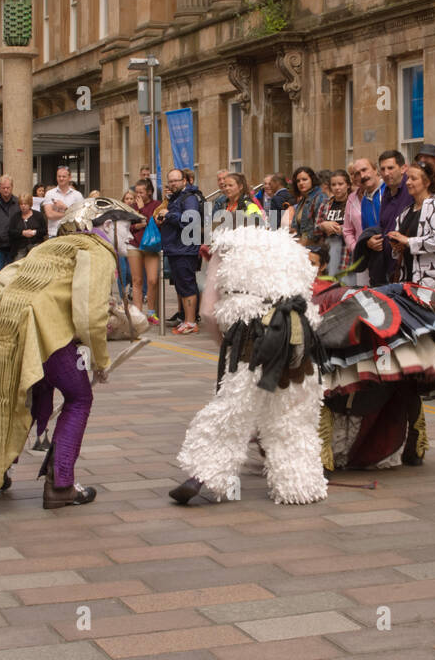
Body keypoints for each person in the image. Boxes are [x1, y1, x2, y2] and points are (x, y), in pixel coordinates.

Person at [0, 196, 143, 507]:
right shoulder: (98, 251)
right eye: (127, 228)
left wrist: (27, 302)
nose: (131, 236)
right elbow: (90, 315)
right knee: (79, 398)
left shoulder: (50, 246)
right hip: (42, 331)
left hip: (1, 321)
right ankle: (60, 486)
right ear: (108, 226)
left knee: (16, 396)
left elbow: (4, 277)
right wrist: (100, 361)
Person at [169, 226, 329, 506]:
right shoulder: (289, 246)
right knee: (292, 418)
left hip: (253, 341)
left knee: (231, 412)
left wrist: (224, 345)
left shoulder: (225, 247)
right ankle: (298, 486)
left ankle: (203, 475)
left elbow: (207, 312)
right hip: (299, 340)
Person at [388, 161, 435, 296]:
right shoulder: (406, 211)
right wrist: (397, 245)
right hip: (408, 280)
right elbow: (404, 242)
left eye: (414, 178)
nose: (408, 182)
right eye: (408, 178)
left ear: (427, 182)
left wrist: (408, 241)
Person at [157, 168, 204, 334]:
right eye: (170, 181)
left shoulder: (189, 198)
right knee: (181, 286)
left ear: (184, 181)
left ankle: (191, 322)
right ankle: (187, 320)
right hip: (176, 248)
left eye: (176, 180)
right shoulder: (176, 198)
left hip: (185, 249)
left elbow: (190, 220)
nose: (173, 183)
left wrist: (168, 215)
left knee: (187, 285)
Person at [367, 150, 413, 287]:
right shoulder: (385, 192)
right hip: (387, 264)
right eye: (383, 169)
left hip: (407, 266)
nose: (386, 173)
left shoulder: (410, 190)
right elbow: (384, 226)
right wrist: (370, 241)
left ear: (403, 168)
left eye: (391, 168)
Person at [343, 157, 382, 287]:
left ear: (375, 170)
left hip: (384, 253)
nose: (361, 176)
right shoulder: (353, 198)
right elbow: (347, 230)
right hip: (363, 255)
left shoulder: (385, 191)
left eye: (364, 170)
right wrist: (358, 248)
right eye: (356, 174)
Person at [127, 178, 162, 321]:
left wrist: (141, 210)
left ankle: (151, 312)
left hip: (151, 245)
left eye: (141, 192)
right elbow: (128, 227)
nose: (138, 195)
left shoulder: (157, 205)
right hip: (134, 244)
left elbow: (156, 223)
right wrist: (137, 226)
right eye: (137, 192)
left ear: (150, 192)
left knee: (153, 280)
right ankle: (138, 313)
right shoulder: (132, 206)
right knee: (137, 280)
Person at [315, 170, 350, 277]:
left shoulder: (353, 202)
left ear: (348, 185)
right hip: (329, 249)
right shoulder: (326, 203)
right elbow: (316, 228)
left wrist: (340, 229)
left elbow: (359, 227)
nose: (337, 187)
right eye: (333, 185)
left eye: (340, 184)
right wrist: (323, 225)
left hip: (347, 251)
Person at [287, 166, 328, 250]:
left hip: (314, 248)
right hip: (301, 246)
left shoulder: (320, 197)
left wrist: (302, 243)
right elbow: (296, 227)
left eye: (304, 179)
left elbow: (317, 229)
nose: (301, 183)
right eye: (298, 181)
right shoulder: (303, 200)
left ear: (312, 180)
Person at [42, 166, 84, 238]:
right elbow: (50, 215)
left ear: (69, 178)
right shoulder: (49, 194)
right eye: (59, 176)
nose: (61, 179)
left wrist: (65, 208)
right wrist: (69, 214)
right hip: (54, 233)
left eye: (64, 176)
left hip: (72, 234)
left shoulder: (77, 195)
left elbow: (80, 215)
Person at [7, 192, 47, 263]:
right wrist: (22, 233)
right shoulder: (15, 217)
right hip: (20, 249)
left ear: (30, 204)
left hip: (35, 248)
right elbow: (11, 232)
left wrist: (34, 232)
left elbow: (44, 230)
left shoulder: (38, 215)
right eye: (21, 204)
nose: (23, 206)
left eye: (25, 204)